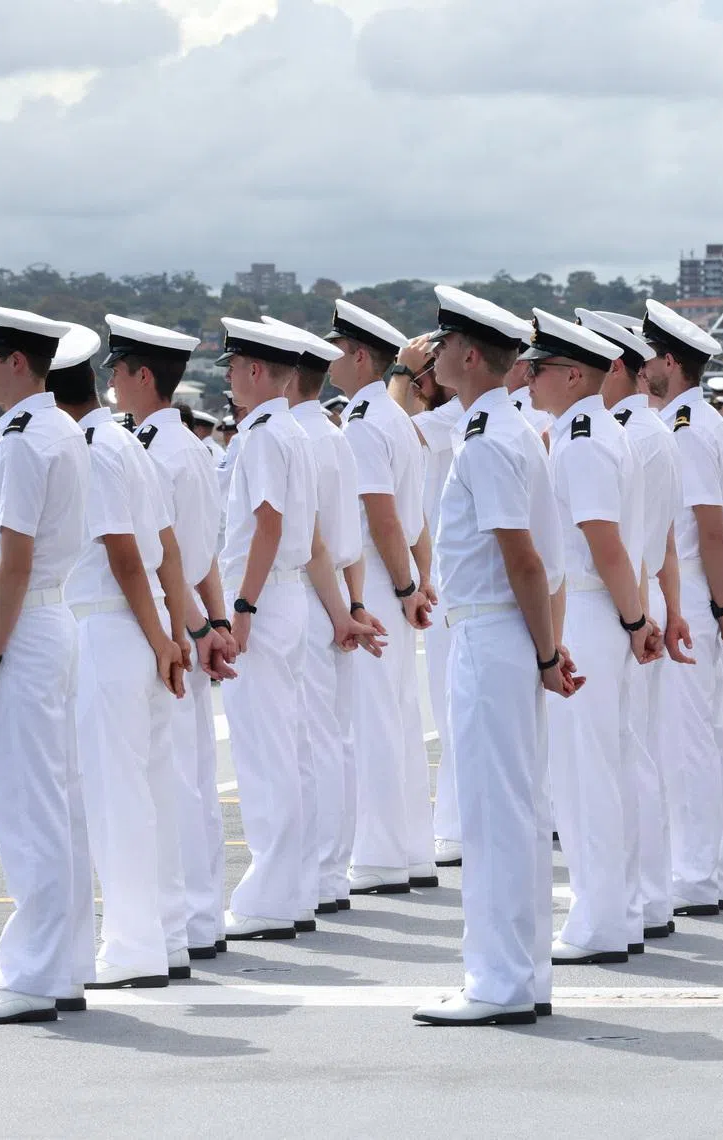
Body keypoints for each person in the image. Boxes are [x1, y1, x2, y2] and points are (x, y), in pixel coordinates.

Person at [413, 287, 573, 1027]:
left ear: (469, 355)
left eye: (443, 344)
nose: (433, 353)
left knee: (493, 813)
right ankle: (520, 973)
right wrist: (545, 646)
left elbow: (525, 561)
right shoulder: (506, 430)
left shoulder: (489, 439)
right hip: (504, 633)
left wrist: (545, 653)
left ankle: (500, 980)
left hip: (493, 633)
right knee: (510, 808)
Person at [217, 317, 378, 940]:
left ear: (257, 371)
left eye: (233, 368)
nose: (228, 379)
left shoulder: (262, 434)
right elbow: (308, 537)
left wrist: (243, 610)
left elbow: (267, 526)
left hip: (266, 601)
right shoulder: (293, 432)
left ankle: (272, 895)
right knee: (293, 748)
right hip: (292, 601)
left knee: (267, 754)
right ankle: (296, 886)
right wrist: (340, 614)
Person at [0, 303, 93, 1025]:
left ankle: (32, 974)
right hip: (52, 621)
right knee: (59, 802)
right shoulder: (53, 430)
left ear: (16, 362)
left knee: (26, 806)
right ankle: (62, 963)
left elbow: (11, 565)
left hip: (26, 629)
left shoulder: (26, 440)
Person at [51, 322, 193, 989]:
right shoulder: (127, 442)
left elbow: (126, 555)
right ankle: (165, 933)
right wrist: (171, 631)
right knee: (152, 790)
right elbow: (168, 545)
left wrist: (163, 636)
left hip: (113, 629)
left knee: (116, 797)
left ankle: (133, 947)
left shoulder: (95, 448)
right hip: (142, 629)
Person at [527, 307, 658, 964]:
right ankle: (618, 908)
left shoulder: (580, 436)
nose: (528, 378)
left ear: (572, 373)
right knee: (606, 765)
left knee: (587, 774)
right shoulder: (596, 430)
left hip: (588, 607)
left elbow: (603, 542)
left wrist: (636, 620)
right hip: (599, 609)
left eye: (540, 367)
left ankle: (599, 917)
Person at [105, 314, 237, 960]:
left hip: (167, 624)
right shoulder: (184, 445)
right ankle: (200, 916)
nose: (111, 383)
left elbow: (170, 558)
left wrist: (196, 627)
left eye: (118, 370)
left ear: (142, 376)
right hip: (187, 621)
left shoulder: (156, 450)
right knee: (190, 779)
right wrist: (213, 623)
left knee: (174, 781)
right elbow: (202, 553)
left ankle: (184, 920)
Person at [579, 307, 688, 940]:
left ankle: (643, 896)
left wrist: (646, 615)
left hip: (621, 607)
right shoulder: (641, 431)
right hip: (635, 605)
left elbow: (633, 540)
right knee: (631, 753)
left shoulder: (631, 433)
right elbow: (664, 538)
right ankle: (646, 897)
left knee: (623, 758)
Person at [642, 298, 723, 917]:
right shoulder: (707, 421)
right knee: (709, 737)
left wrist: (721, 601)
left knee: (686, 740)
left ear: (667, 362)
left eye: (649, 357)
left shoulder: (682, 429)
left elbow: (712, 526)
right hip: (706, 592)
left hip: (690, 592)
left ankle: (693, 873)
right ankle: (714, 866)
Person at [324, 299, 437, 894]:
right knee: (396, 722)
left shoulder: (367, 420)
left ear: (359, 356)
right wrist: (419, 580)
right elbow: (414, 520)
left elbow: (385, 516)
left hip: (376, 586)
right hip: (393, 585)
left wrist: (403, 584)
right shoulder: (397, 420)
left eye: (336, 349)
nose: (329, 360)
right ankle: (410, 850)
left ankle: (379, 856)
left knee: (371, 726)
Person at [262, 315, 371, 915]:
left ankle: (319, 870)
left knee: (307, 740)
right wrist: (352, 606)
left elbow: (313, 540)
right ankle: (328, 871)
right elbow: (346, 538)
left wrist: (342, 609)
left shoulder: (297, 437)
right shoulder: (329, 434)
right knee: (331, 738)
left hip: (302, 592)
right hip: (327, 594)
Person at [385, 334, 467, 868]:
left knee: (450, 703)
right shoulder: (452, 415)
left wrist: (399, 372)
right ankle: (455, 823)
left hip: (446, 577)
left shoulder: (450, 415)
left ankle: (456, 827)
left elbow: (380, 437)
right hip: (448, 572)